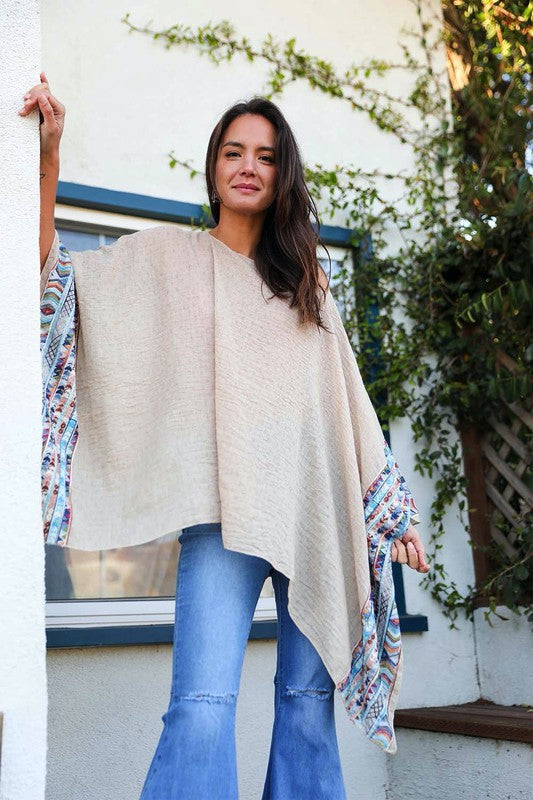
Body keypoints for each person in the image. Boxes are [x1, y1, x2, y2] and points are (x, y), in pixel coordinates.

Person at [21, 72, 430, 799]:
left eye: (266, 156)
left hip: (311, 517)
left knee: (307, 705)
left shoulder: (306, 282)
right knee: (201, 706)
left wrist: (388, 509)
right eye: (233, 152)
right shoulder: (169, 259)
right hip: (222, 516)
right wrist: (49, 157)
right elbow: (53, 276)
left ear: (282, 175)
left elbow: (345, 401)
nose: (248, 166)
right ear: (213, 167)